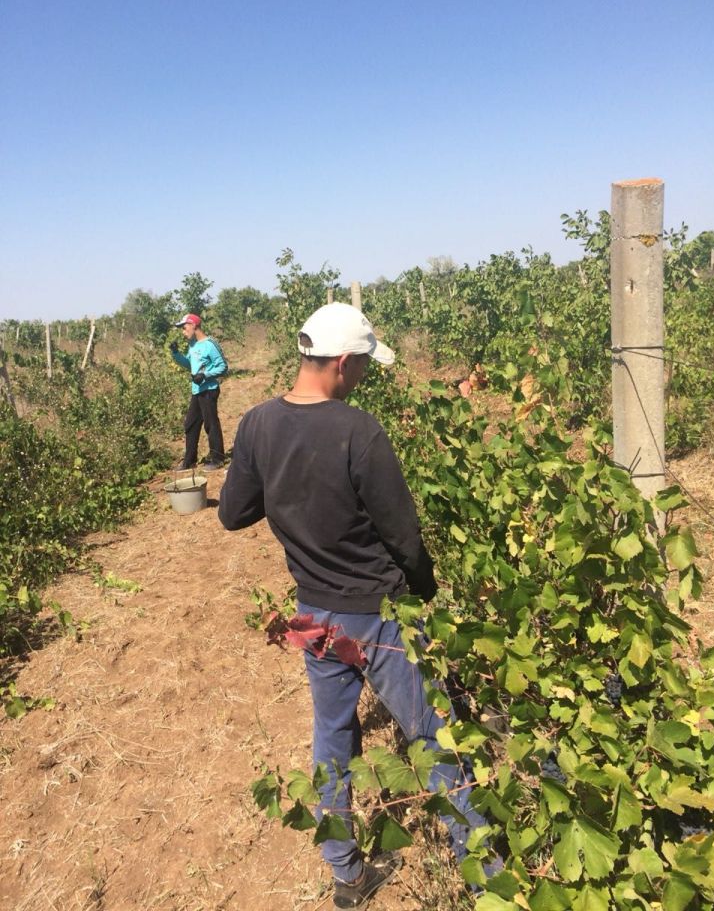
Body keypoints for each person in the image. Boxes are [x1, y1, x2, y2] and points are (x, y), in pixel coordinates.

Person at [218, 302, 494, 909]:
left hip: (312, 617)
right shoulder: (356, 429)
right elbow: (403, 535)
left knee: (333, 736)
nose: (364, 376)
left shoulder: (257, 424)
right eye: (364, 365)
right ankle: (483, 870)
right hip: (377, 615)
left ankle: (346, 872)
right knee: (431, 732)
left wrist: (288, 487)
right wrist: (425, 593)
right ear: (342, 364)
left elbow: (233, 513)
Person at [170, 313, 227, 471]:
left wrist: (205, 375)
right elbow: (190, 365)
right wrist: (176, 354)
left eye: (184, 327)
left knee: (211, 424)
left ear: (194, 325)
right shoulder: (193, 345)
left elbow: (223, 366)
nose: (183, 331)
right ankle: (189, 461)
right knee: (191, 424)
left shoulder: (209, 344)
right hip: (197, 390)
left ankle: (217, 458)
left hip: (209, 390)